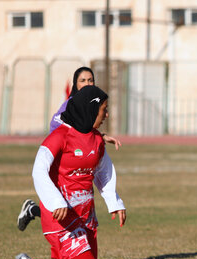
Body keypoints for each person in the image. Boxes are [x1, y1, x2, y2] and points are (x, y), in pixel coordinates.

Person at [10, 85, 129, 259]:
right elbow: (38, 171)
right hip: (60, 219)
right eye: (103, 110)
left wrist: (114, 203)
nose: (107, 114)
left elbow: (103, 172)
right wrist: (54, 202)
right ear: (89, 110)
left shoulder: (96, 140)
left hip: (86, 216)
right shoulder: (59, 137)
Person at [17, 67, 121, 231]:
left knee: (69, 208)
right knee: (63, 207)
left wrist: (98, 136)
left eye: (90, 80)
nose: (87, 83)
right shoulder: (71, 104)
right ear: (75, 84)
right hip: (63, 159)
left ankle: (32, 210)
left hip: (77, 156)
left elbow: (85, 130)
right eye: (82, 80)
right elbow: (61, 126)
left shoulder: (92, 103)